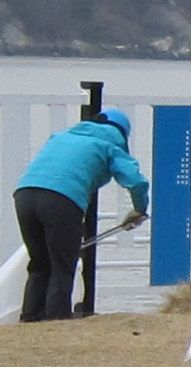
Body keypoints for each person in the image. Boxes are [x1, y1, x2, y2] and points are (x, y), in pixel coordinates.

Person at [13, 105, 150, 320]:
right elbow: (136, 181)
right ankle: (56, 321)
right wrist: (140, 209)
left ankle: (30, 319)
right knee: (62, 265)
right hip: (61, 199)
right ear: (122, 133)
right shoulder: (109, 145)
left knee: (40, 263)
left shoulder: (61, 137)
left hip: (24, 195)